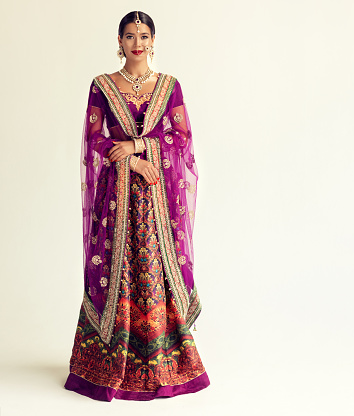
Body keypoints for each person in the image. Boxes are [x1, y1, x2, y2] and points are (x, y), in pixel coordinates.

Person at [64, 10, 210, 401]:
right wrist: (128, 159)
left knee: (155, 266)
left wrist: (141, 145)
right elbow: (93, 139)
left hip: (158, 199)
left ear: (153, 39)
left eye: (144, 35)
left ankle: (167, 363)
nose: (138, 42)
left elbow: (182, 139)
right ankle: (108, 366)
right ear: (119, 41)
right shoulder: (103, 85)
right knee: (117, 268)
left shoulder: (169, 86)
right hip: (116, 196)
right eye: (130, 35)